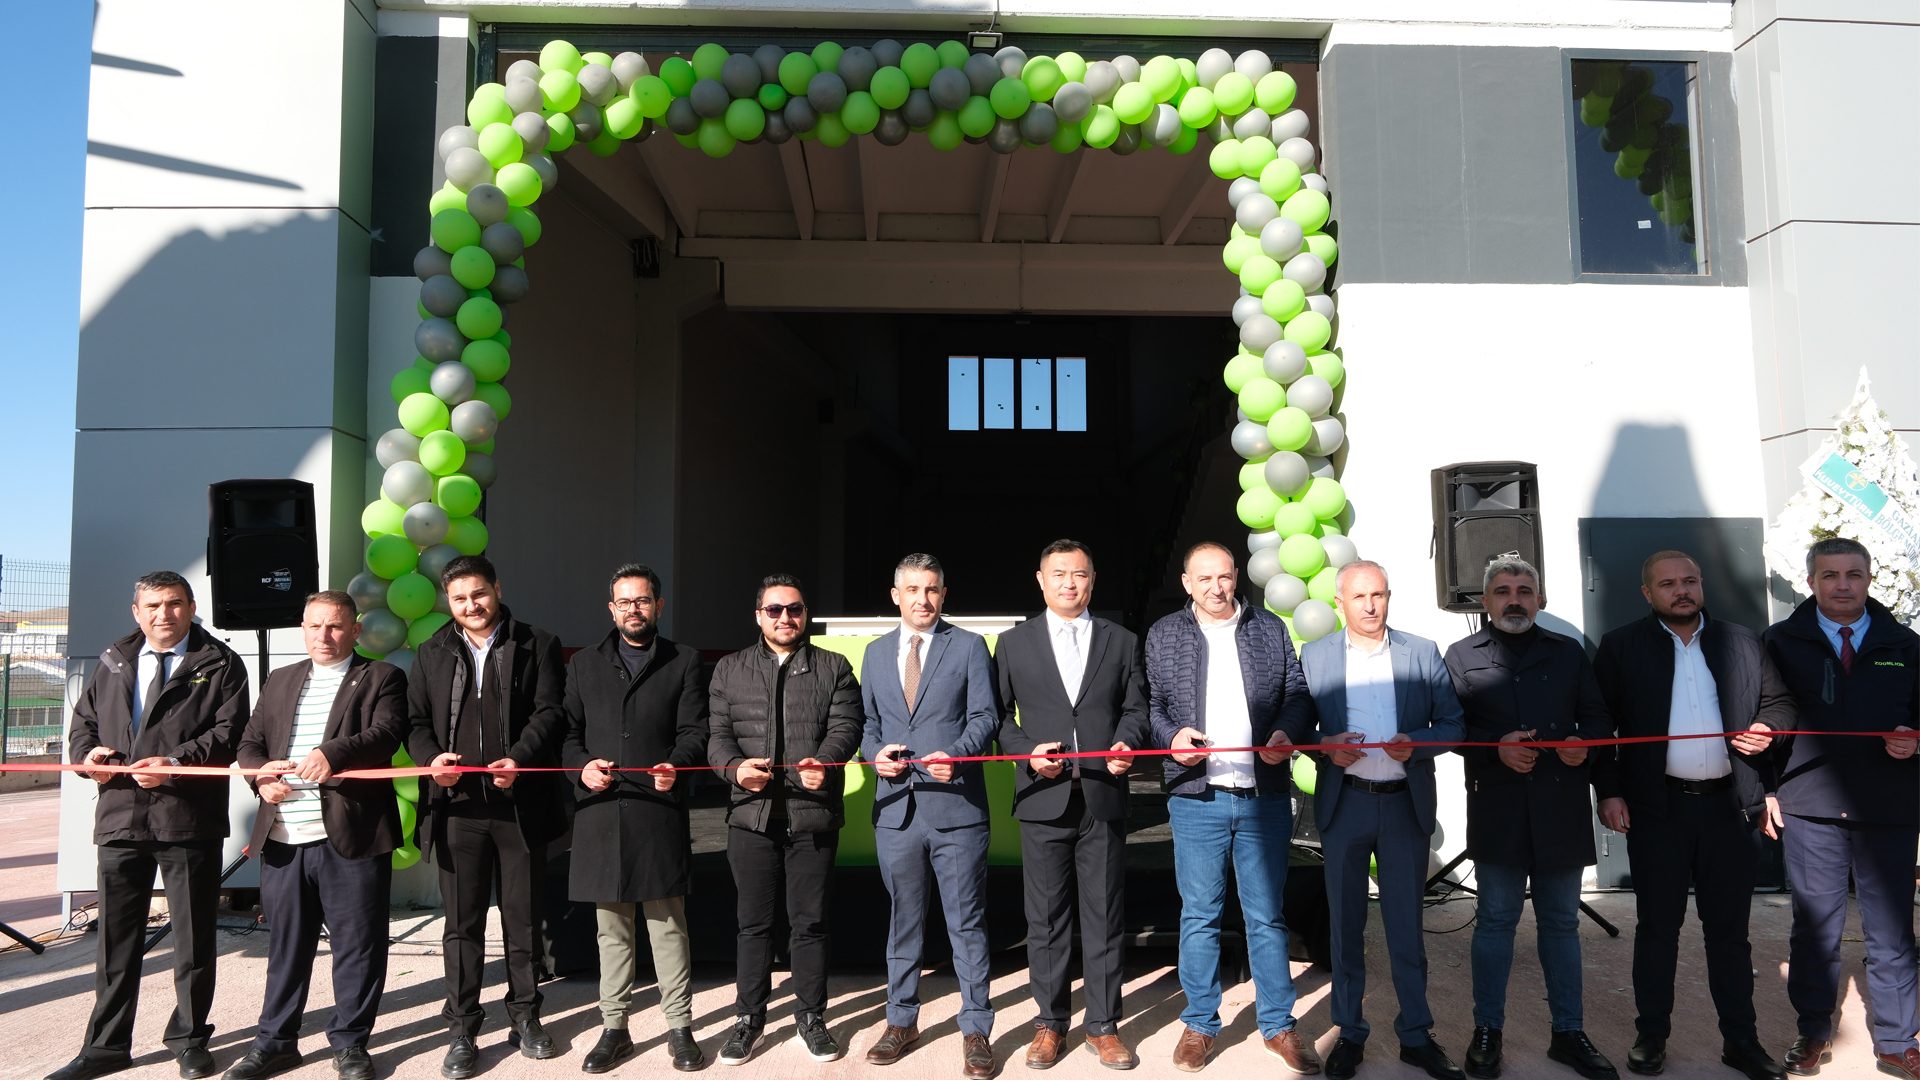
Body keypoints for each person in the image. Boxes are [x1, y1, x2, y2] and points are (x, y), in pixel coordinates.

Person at [1592, 551, 1790, 1080]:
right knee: (1658, 929)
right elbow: (1597, 726)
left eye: (1690, 581)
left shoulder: (1744, 641)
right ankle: (1651, 1035)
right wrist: (1608, 793)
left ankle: (1741, 1042)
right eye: (1668, 584)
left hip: (1730, 809)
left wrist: (1769, 730)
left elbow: (1780, 703)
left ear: (1702, 585)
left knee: (1730, 934)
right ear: (1647, 593)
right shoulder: (1621, 647)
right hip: (1659, 810)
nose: (1681, 591)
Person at [52, 571, 249, 1080]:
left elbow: (230, 734)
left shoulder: (221, 663)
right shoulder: (113, 659)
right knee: (115, 941)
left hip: (188, 817)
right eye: (155, 605)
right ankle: (106, 1046)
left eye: (176, 603)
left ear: (191, 606)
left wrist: (176, 763)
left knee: (192, 936)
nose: (166, 614)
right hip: (120, 816)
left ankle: (189, 1038)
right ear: (136, 611)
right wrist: (86, 756)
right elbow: (83, 725)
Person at [1145, 541, 1320, 1075]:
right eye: (1203, 579)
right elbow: (1152, 704)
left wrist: (1287, 730)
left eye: (1223, 577)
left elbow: (1297, 691)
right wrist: (1171, 734)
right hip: (1196, 797)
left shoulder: (1268, 628)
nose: (1215, 588)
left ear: (1236, 575)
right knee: (1198, 915)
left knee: (1265, 915)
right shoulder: (1164, 634)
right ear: (1186, 583)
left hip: (1263, 794)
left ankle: (1279, 1025)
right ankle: (1200, 1024)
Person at [1443, 556, 1615, 1080]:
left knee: (1561, 924)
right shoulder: (1460, 655)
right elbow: (1449, 730)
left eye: (1523, 589)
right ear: (1486, 600)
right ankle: (1487, 1030)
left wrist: (1582, 746)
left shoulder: (1567, 652)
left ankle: (1568, 1032)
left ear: (1539, 599)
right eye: (1502, 590)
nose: (1513, 598)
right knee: (1496, 921)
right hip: (1498, 807)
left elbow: (1600, 718)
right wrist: (1495, 749)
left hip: (1560, 805)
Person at [226, 591, 408, 1080]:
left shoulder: (381, 677)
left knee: (358, 944)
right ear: (302, 630)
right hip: (284, 838)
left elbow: (388, 733)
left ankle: (350, 1044)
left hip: (350, 836)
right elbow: (250, 743)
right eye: (313, 626)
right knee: (287, 946)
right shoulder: (281, 680)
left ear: (355, 630)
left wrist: (333, 753)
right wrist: (260, 778)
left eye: (333, 626)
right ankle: (275, 1042)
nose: (322, 636)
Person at [1757, 537, 1920, 1079]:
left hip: (1888, 807)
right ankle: (1813, 1032)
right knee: (1814, 929)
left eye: (1853, 574)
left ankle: (1898, 1042)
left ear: (1869, 579)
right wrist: (1769, 790)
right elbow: (1765, 717)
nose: (1842, 585)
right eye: (1830, 576)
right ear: (1811, 583)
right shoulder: (1779, 642)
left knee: (1892, 929)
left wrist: (1915, 738)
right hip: (1810, 805)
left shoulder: (1908, 644)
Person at [1298, 561, 1464, 1080]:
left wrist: (1420, 743)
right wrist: (1323, 747)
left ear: (1389, 597)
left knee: (1406, 928)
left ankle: (1416, 1035)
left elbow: (1454, 724)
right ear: (1338, 604)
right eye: (1360, 597)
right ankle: (1350, 1032)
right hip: (1345, 804)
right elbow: (1296, 728)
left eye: (1379, 595)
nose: (1371, 605)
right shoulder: (1316, 655)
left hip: (1402, 804)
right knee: (1345, 925)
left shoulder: (1421, 651)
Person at [407, 555, 569, 1080]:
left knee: (523, 920)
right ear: (447, 602)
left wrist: (518, 760)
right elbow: (413, 722)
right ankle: (462, 1027)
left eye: (479, 594)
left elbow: (550, 712)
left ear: (497, 588)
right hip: (457, 809)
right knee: (462, 925)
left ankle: (525, 1017)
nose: (471, 606)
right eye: (459, 598)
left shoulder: (537, 643)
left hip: (518, 805)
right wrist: (432, 760)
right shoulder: (431, 652)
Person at [994, 540, 1149, 1071]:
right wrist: (1026, 755)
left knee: (1104, 915)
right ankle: (1049, 1023)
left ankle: (1103, 1026)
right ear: (1040, 580)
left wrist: (1127, 742)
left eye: (1079, 574)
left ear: (1093, 579)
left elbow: (1135, 707)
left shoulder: (1122, 641)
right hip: (1042, 798)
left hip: (1102, 795)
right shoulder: (1013, 644)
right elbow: (998, 721)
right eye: (1059, 574)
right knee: (1046, 919)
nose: (1069, 583)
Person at [707, 573, 862, 1065]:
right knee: (752, 925)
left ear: (805, 613)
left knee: (810, 924)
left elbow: (847, 724)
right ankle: (748, 1019)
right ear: (759, 616)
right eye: (774, 610)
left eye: (793, 609)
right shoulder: (729, 669)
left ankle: (811, 1018)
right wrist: (735, 770)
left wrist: (827, 760)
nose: (785, 618)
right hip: (750, 817)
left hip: (811, 816)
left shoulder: (833, 666)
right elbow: (716, 737)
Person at [561, 563, 711, 1074]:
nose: (633, 609)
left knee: (668, 926)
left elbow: (696, 730)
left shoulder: (685, 661)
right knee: (611, 931)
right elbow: (567, 736)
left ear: (658, 606)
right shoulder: (583, 664)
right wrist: (581, 769)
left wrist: (680, 763)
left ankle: (680, 1027)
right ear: (611, 609)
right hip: (601, 812)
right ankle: (615, 1028)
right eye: (624, 601)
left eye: (642, 600)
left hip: (657, 809)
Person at [859, 553, 1002, 1080]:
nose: (923, 599)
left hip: (956, 808)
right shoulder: (874, 654)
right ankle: (901, 1020)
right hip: (896, 811)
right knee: (903, 923)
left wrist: (959, 753)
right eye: (914, 589)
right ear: (896, 595)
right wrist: (873, 754)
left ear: (944, 594)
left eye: (933, 589)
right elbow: (868, 724)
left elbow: (987, 716)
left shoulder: (967, 646)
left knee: (966, 923)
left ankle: (976, 1029)